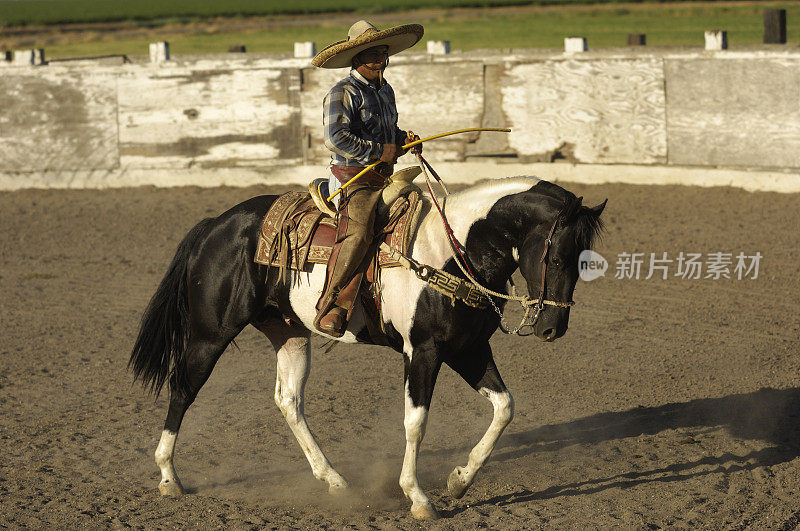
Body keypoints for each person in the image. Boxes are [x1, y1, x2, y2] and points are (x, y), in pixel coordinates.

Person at [310, 20, 424, 337]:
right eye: (372, 55)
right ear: (357, 58)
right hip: (351, 178)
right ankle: (331, 305)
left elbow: (389, 135)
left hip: (384, 177)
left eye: (382, 54)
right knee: (359, 232)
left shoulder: (386, 91)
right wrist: (378, 151)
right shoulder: (341, 93)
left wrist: (404, 139)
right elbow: (335, 139)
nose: (379, 60)